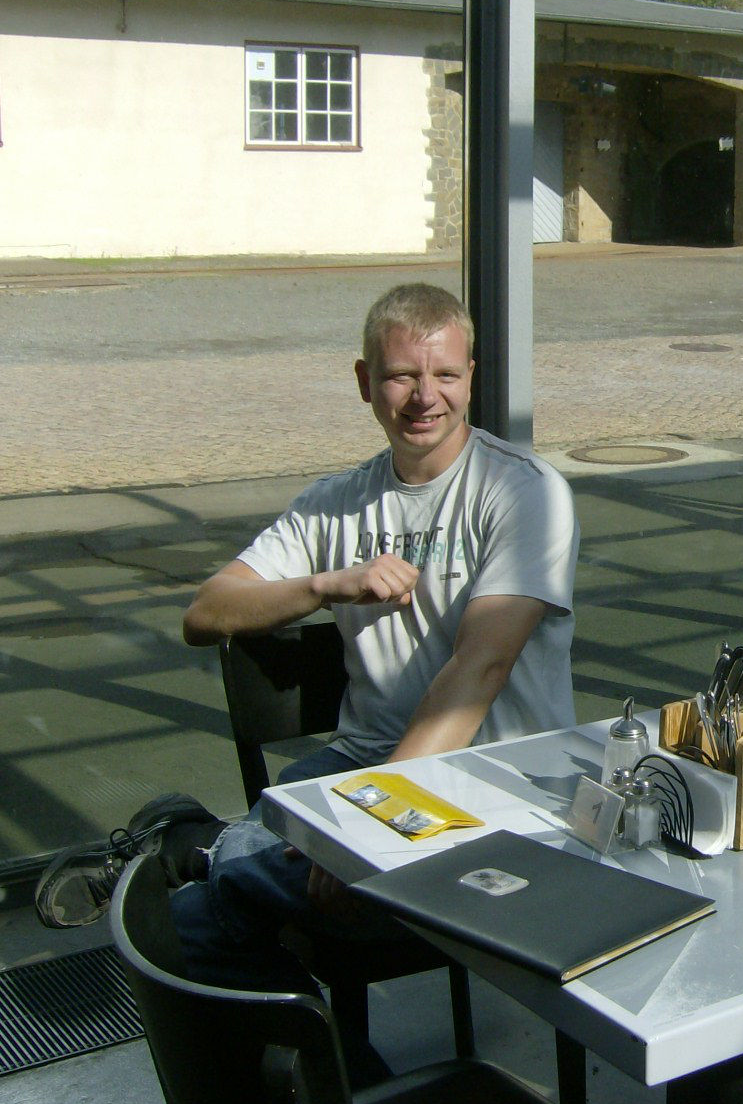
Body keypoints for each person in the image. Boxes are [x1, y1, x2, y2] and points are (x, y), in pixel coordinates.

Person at [35, 283, 580, 996]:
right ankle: (327, 1063)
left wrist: (365, 825)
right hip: (356, 764)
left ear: (471, 377)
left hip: (494, 788)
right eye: (400, 376)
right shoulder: (333, 504)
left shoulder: (523, 492)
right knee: (236, 901)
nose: (424, 397)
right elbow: (206, 613)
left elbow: (479, 669)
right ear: (364, 383)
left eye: (445, 374)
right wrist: (328, 585)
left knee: (196, 913)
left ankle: (197, 850)